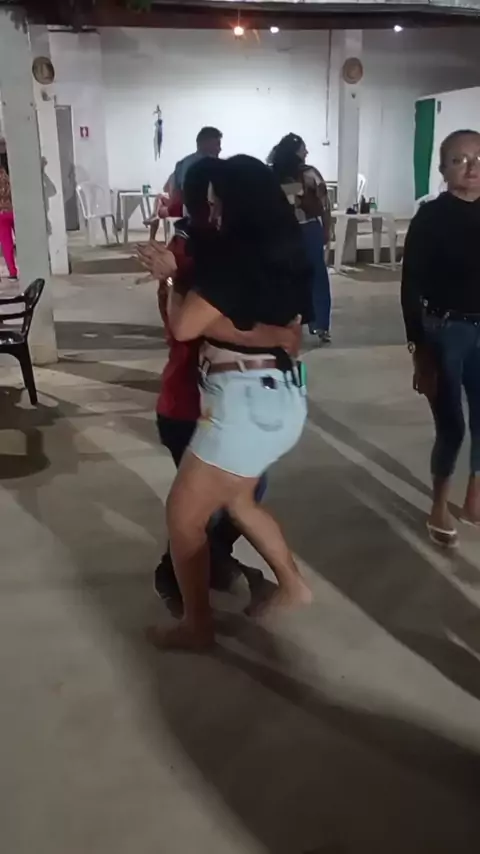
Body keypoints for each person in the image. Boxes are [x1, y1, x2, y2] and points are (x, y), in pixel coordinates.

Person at [139, 155, 313, 650]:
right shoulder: (287, 250)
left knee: (184, 519)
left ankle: (197, 627)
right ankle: (293, 586)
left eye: (217, 205)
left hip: (242, 405)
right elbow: (284, 333)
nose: (211, 213)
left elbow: (184, 326)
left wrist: (173, 278)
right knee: (238, 502)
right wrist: (267, 334)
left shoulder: (237, 258)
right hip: (278, 398)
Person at [401, 129, 480, 548]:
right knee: (452, 425)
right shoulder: (430, 218)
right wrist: (419, 349)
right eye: (459, 160)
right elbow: (410, 286)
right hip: (447, 331)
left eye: (479, 158)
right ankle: (439, 505)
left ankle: (474, 500)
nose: (472, 168)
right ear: (443, 169)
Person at [269, 133, 331, 344]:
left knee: (309, 275)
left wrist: (326, 228)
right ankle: (309, 322)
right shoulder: (289, 174)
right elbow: (322, 205)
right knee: (306, 276)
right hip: (297, 229)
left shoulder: (305, 174)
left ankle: (315, 323)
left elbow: (322, 204)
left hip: (295, 229)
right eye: (303, 149)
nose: (307, 152)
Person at [173, 126, 222, 195]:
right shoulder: (211, 166)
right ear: (205, 143)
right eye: (217, 144)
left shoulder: (181, 164)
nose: (220, 149)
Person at [0, 143, 18, 281]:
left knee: (7, 244)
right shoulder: (5, 175)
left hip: (1, 214)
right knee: (24, 241)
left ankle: (12, 272)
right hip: (14, 210)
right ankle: (31, 265)